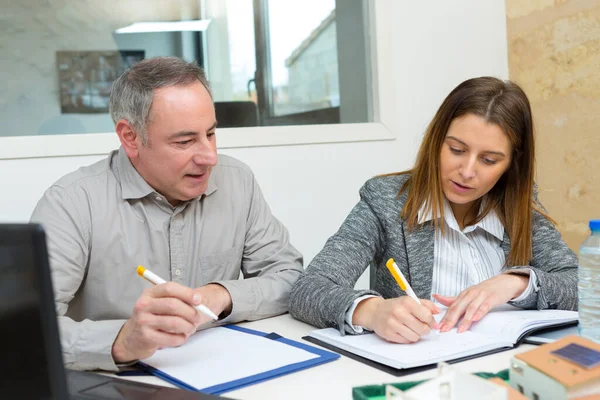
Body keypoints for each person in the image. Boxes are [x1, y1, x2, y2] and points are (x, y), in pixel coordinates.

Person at [30, 57, 303, 371]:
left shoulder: (237, 180)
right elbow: (26, 329)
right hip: (113, 383)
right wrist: (121, 340)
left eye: (211, 134)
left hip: (216, 372)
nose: (209, 157)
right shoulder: (72, 202)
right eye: (185, 141)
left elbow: (290, 278)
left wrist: (221, 295)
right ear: (130, 137)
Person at [289, 77, 577, 344]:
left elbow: (585, 285)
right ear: (436, 140)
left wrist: (515, 283)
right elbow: (308, 289)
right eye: (456, 149)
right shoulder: (386, 201)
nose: (467, 171)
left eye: (489, 160)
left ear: (511, 164)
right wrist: (372, 311)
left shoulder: (519, 206)